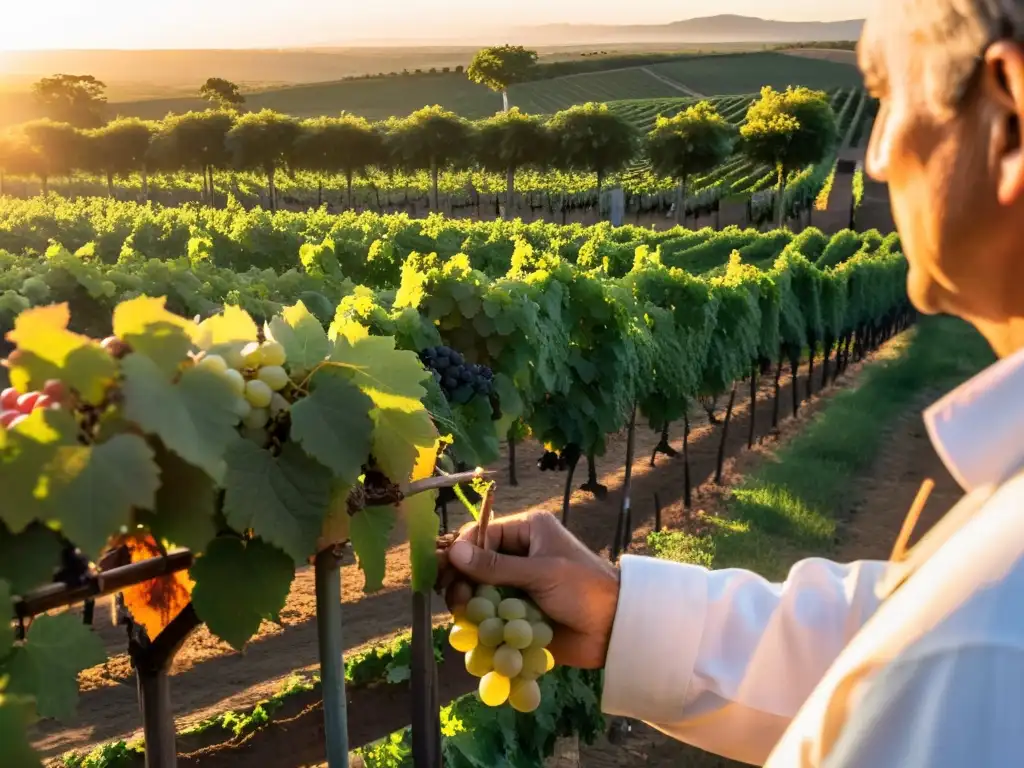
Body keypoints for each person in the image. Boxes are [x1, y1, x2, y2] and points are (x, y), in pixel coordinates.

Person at [438, 1, 1024, 765]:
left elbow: (936, 663)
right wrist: (623, 614)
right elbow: (883, 638)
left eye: (885, 99)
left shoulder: (981, 653)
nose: (874, 159)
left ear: (1009, 120)